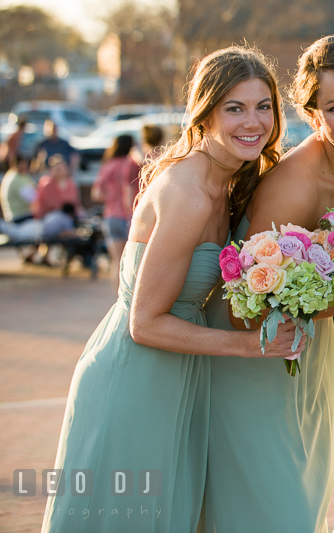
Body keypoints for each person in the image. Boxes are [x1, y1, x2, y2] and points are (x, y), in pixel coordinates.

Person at [41, 46, 303, 533]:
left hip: (182, 374)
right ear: (204, 115)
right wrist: (250, 344)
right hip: (136, 377)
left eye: (263, 106)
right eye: (235, 108)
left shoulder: (229, 181)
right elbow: (144, 323)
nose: (254, 121)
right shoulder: (187, 192)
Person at [201, 35, 334, 533]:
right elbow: (247, 307)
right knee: (272, 508)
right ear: (313, 116)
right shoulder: (295, 183)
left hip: (309, 355)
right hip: (260, 362)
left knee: (307, 501)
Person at [92, 134, 141, 286]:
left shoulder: (108, 166)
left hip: (111, 216)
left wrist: (111, 197)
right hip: (131, 216)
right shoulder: (133, 163)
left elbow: (97, 194)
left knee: (116, 262)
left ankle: (118, 301)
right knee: (133, 263)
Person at [1, 154, 36, 223]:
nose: (24, 166)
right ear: (14, 165)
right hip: (18, 217)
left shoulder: (19, 175)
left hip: (20, 215)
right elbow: (33, 198)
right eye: (21, 164)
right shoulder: (15, 179)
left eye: (25, 163)